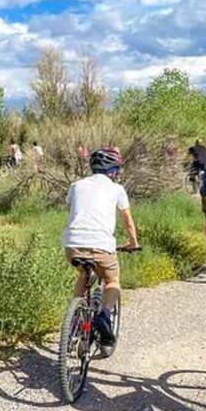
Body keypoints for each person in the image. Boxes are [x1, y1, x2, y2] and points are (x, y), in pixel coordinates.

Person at [63, 148, 140, 353]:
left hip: (73, 245)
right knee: (112, 280)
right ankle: (104, 315)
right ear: (113, 171)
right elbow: (128, 222)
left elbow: (72, 208)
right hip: (101, 246)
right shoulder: (117, 189)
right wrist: (133, 243)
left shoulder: (76, 185)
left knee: (82, 273)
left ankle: (75, 321)